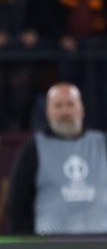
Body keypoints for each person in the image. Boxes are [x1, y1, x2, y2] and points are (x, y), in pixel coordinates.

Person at [7, 82, 107, 235]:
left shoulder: (102, 143)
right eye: (58, 106)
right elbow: (17, 203)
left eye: (70, 104)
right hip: (52, 244)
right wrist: (28, 243)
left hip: (101, 242)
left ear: (81, 108)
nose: (65, 111)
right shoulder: (33, 149)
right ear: (48, 111)